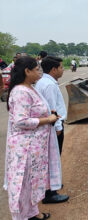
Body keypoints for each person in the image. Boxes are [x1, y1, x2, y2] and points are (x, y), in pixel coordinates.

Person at [4, 56, 60, 220]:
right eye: (36, 69)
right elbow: (20, 121)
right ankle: (22, 216)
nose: (40, 72)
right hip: (25, 148)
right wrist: (47, 120)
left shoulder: (29, 88)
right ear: (27, 71)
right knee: (23, 184)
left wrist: (49, 115)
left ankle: (32, 213)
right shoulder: (21, 91)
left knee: (31, 182)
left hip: (33, 147)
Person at [35, 56, 69, 204]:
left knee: (51, 158)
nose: (63, 70)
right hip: (53, 126)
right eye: (61, 67)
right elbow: (51, 109)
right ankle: (50, 193)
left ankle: (51, 185)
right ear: (54, 69)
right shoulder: (49, 85)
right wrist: (58, 127)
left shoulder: (45, 82)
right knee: (52, 158)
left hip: (50, 126)